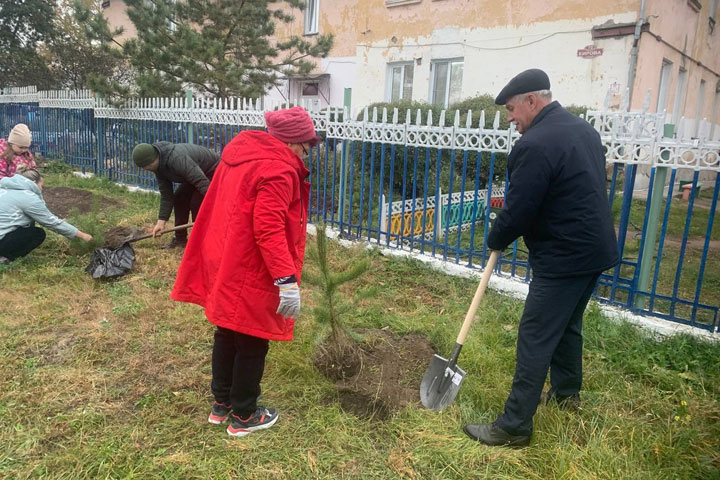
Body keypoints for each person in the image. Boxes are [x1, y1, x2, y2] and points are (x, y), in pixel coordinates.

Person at [463, 69, 619, 447]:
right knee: (567, 326)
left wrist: (495, 237)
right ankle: (566, 396)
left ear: (533, 101)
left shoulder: (534, 145)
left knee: (535, 336)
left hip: (564, 257)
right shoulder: (583, 130)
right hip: (595, 251)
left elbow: (519, 210)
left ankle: (514, 425)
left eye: (513, 109)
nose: (510, 118)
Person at [170, 106, 319, 437]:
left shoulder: (240, 156)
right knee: (252, 339)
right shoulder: (279, 170)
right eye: (307, 146)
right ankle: (245, 415)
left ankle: (221, 404)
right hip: (252, 266)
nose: (307, 154)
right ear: (294, 142)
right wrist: (286, 280)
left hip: (227, 258)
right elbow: (268, 228)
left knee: (226, 330)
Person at [131, 142, 221, 248]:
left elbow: (201, 182)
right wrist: (161, 222)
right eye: (144, 167)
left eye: (147, 166)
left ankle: (201, 242)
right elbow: (167, 196)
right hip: (196, 174)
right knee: (179, 199)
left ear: (153, 159)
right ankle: (180, 239)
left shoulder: (177, 159)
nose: (147, 169)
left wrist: (216, 203)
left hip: (213, 171)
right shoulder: (158, 167)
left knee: (196, 203)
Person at [0, 169, 93, 264]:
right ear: (34, 183)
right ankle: (5, 258)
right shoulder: (28, 197)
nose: (42, 188)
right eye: (41, 185)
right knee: (37, 234)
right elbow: (52, 222)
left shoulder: (3, 189)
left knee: (26, 226)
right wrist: (83, 236)